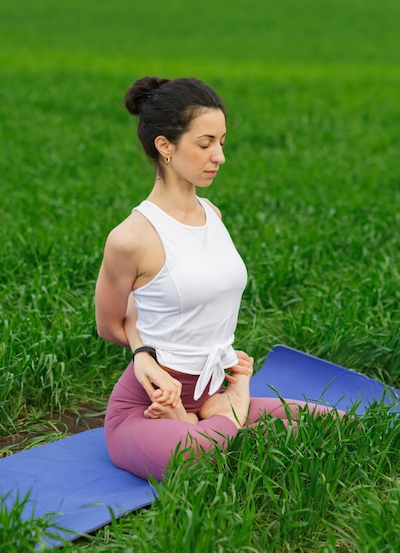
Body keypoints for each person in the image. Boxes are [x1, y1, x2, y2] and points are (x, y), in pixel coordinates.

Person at [95, 76, 345, 482]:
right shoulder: (131, 237)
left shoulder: (213, 215)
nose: (220, 156)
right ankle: (222, 414)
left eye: (222, 142)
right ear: (166, 147)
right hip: (147, 405)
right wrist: (145, 355)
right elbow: (109, 323)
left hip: (208, 391)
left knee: (337, 427)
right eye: (206, 143)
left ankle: (206, 418)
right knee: (204, 460)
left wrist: (211, 403)